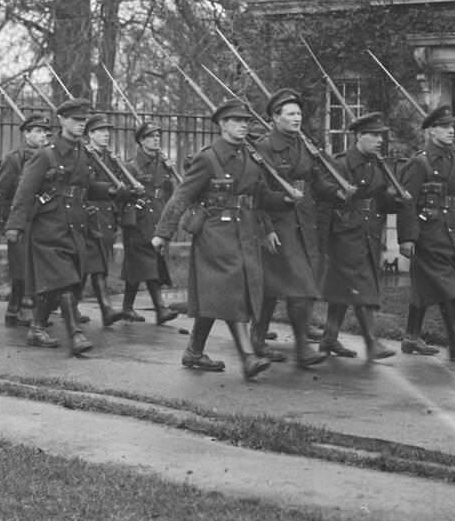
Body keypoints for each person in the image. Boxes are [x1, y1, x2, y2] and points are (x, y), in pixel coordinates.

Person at [152, 99, 275, 380]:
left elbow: (257, 197)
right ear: (222, 125)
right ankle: (247, 358)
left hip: (244, 233)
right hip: (214, 234)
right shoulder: (207, 158)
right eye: (236, 121)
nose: (243, 125)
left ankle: (194, 351)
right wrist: (163, 233)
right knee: (231, 291)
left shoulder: (251, 157)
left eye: (246, 121)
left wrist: (269, 225)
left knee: (221, 294)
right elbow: (182, 195)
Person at [5, 98, 114, 357]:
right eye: (76, 120)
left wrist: (112, 191)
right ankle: (75, 333)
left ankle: (37, 327)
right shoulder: (46, 154)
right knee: (65, 280)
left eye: (83, 121)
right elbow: (24, 191)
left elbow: (85, 188)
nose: (80, 125)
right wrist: (15, 225)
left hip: (76, 225)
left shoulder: (82, 154)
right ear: (62, 121)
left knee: (63, 282)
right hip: (48, 226)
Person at [253, 88, 343, 368]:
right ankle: (302, 349)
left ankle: (257, 338)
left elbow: (315, 179)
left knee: (273, 287)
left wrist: (337, 193)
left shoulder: (302, 144)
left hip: (305, 223)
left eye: (299, 114)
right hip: (278, 224)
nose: (297, 118)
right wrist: (266, 228)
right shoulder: (264, 147)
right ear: (275, 117)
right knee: (300, 286)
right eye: (290, 113)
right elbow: (256, 193)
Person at [396, 104, 455, 359]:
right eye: (444, 127)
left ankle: (411, 336)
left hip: (453, 232)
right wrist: (407, 238)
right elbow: (407, 201)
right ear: (431, 131)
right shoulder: (419, 163)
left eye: (451, 126)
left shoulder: (454, 159)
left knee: (426, 285)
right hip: (429, 233)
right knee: (448, 285)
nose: (450, 130)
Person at [318, 113, 405, 361]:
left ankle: (329, 339)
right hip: (345, 233)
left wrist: (395, 200)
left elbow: (381, 200)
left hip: (369, 232)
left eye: (381, 136)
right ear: (358, 136)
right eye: (374, 135)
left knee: (345, 288)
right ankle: (371, 341)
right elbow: (323, 198)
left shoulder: (378, 164)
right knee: (361, 285)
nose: (380, 140)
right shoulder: (341, 164)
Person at [0, 112, 51, 327]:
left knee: (36, 267)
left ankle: (20, 310)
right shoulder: (14, 159)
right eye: (36, 131)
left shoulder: (49, 157)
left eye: (44, 131)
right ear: (26, 134)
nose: (42, 135)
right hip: (20, 219)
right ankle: (17, 309)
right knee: (20, 267)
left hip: (42, 218)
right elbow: (1, 191)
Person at [120, 121, 180, 324]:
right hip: (138, 219)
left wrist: (171, 174)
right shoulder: (131, 166)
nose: (156, 140)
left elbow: (169, 193)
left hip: (157, 217)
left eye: (158, 136)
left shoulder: (163, 164)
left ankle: (127, 308)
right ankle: (160, 309)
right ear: (141, 141)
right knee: (148, 261)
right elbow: (123, 195)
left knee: (138, 266)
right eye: (151, 136)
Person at [81, 114, 129, 326]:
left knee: (95, 263)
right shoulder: (83, 155)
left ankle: (70, 306)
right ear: (90, 134)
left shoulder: (111, 158)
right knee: (93, 262)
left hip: (108, 215)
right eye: (100, 131)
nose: (106, 134)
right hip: (88, 214)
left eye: (107, 131)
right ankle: (106, 308)